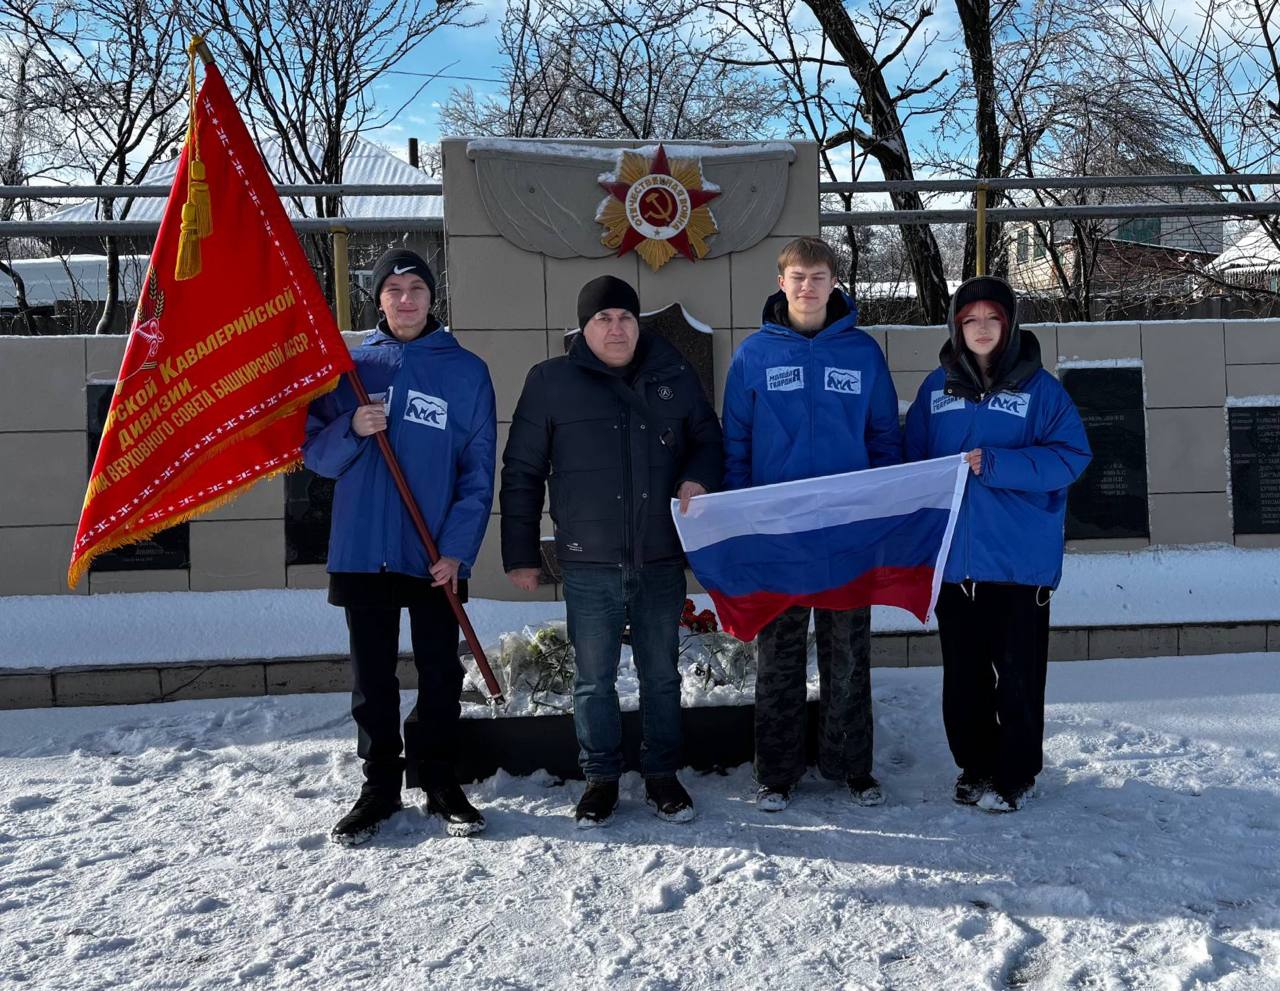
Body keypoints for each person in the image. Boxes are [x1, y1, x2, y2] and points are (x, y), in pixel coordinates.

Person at [500, 275, 723, 827]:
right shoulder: (551, 382)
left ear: (638, 322)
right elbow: (523, 472)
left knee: (662, 675)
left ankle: (662, 776)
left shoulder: (673, 372)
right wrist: (520, 553)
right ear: (584, 328)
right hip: (589, 561)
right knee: (593, 678)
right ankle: (600, 779)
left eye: (625, 316)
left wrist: (698, 477)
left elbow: (709, 440)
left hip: (659, 556)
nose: (616, 327)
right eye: (603, 319)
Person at [304, 248, 497, 845]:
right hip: (363, 549)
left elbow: (476, 470)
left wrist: (457, 551)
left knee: (440, 672)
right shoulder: (349, 367)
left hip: (432, 553)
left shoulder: (465, 371)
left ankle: (441, 780)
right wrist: (351, 428)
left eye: (416, 287)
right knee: (373, 678)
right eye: (393, 288)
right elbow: (315, 456)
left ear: (431, 296)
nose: (405, 298)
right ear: (378, 298)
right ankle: (380, 785)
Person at [721, 236, 902, 813]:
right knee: (779, 655)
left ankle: (851, 767)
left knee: (848, 654)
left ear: (833, 283)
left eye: (818, 276)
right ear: (781, 283)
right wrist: (744, 518)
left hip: (847, 531)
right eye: (797, 276)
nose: (807, 286)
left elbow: (883, 438)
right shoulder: (753, 355)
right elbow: (737, 443)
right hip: (780, 532)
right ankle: (776, 773)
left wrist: (883, 509)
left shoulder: (863, 353)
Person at [904, 275, 1091, 812]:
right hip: (955, 562)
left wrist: (1001, 465)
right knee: (963, 678)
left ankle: (1015, 774)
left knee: (1017, 676)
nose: (981, 329)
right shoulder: (935, 391)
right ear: (956, 328)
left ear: (1008, 326)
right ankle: (974, 768)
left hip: (1018, 564)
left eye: (992, 319)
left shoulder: (1041, 390)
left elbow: (1072, 458)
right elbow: (913, 461)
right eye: (970, 320)